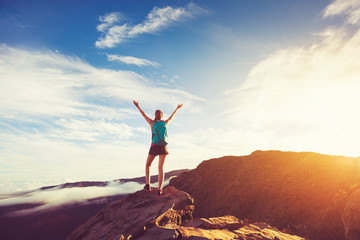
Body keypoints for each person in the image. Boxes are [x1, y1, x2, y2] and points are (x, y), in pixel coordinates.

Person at [133, 100, 183, 196]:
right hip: (164, 146)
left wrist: (138, 106)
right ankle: (160, 190)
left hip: (154, 146)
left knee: (148, 165)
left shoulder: (152, 123)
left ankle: (148, 185)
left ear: (155, 115)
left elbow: (143, 115)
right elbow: (172, 116)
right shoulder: (165, 123)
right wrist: (177, 108)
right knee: (161, 168)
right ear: (161, 116)